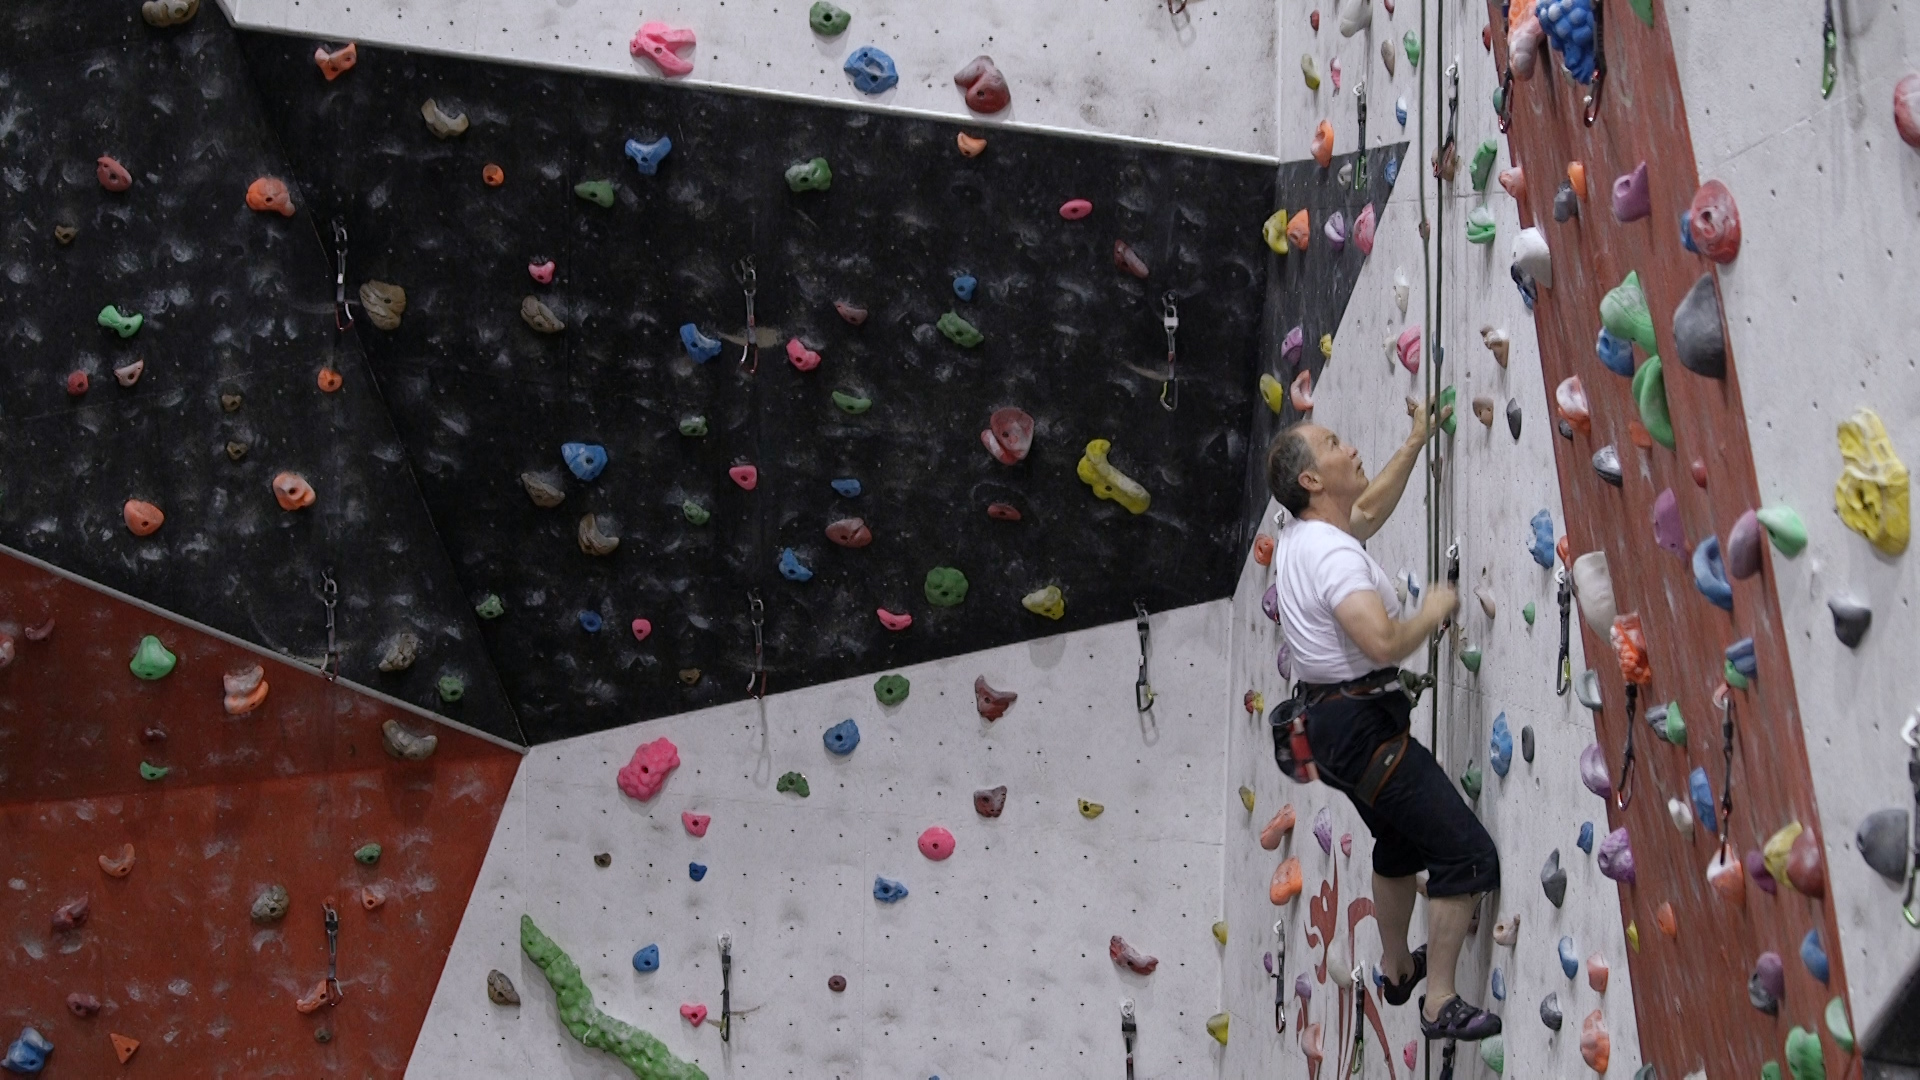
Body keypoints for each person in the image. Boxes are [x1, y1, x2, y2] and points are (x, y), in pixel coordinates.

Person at [1265, 399, 1502, 1042]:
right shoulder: (1330, 557)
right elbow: (1380, 642)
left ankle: (1398, 968)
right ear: (1311, 480)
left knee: (1398, 844)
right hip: (1364, 734)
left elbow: (1365, 510)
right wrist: (1434, 609)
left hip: (1334, 731)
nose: (1349, 449)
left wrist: (1415, 440)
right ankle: (1438, 1004)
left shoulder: (1306, 537)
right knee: (1467, 855)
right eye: (1336, 443)